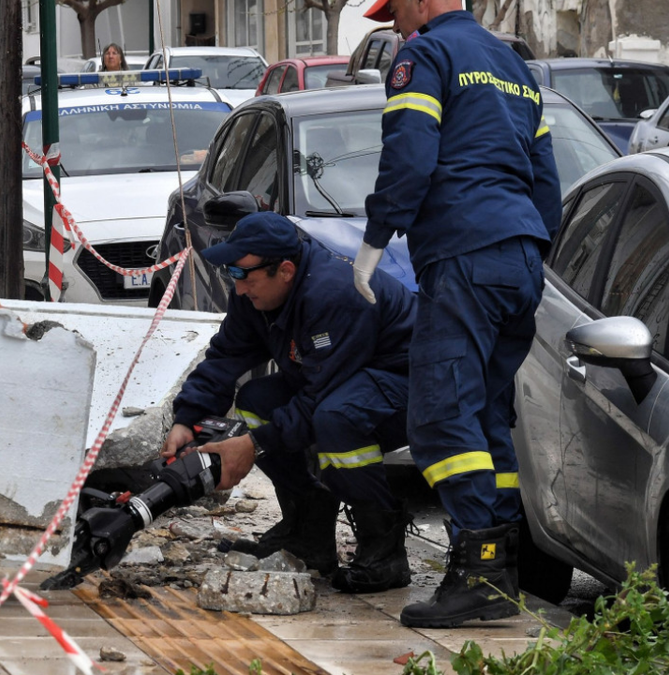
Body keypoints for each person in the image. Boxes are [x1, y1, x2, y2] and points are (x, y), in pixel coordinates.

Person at [353, 0, 561, 628]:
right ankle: (497, 567)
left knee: (441, 415)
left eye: (394, 13)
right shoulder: (512, 64)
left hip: (464, 254)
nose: (393, 27)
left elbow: (411, 156)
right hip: (519, 260)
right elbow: (544, 176)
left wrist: (374, 240)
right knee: (487, 417)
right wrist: (529, 245)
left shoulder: (425, 55)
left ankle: (479, 571)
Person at [163, 212, 417, 593]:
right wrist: (187, 419)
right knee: (256, 400)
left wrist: (251, 445)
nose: (239, 287)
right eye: (231, 274)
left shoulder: (332, 294)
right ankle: (308, 532)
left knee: (335, 420)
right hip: (342, 383)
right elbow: (225, 357)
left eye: (244, 275)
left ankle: (384, 551)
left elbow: (320, 398)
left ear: (284, 270)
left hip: (407, 386)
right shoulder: (256, 294)